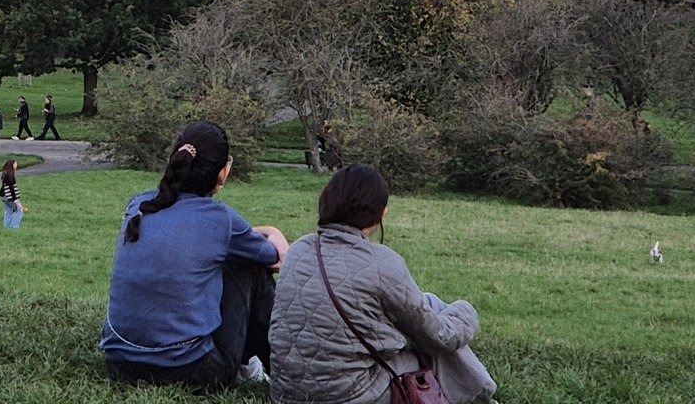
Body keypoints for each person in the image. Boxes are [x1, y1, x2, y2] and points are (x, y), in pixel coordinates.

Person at [270, 164, 491, 404]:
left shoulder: (299, 249)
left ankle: (481, 391)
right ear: (381, 212)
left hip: (286, 393)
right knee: (429, 334)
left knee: (427, 303)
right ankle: (481, 393)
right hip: (350, 396)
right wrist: (465, 312)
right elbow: (438, 336)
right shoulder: (383, 263)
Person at [100, 122, 285, 391]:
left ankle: (252, 366)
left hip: (119, 364)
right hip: (189, 370)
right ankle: (279, 373)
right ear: (222, 174)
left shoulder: (139, 206)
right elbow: (277, 259)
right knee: (250, 266)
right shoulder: (221, 220)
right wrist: (273, 231)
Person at [0, 158, 25, 229]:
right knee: (19, 210)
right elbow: (11, 189)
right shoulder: (10, 176)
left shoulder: (5, 174)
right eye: (15, 164)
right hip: (10, 197)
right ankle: (14, 227)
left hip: (5, 197)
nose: (16, 166)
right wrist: (15, 199)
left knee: (8, 211)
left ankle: (7, 226)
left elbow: (4, 188)